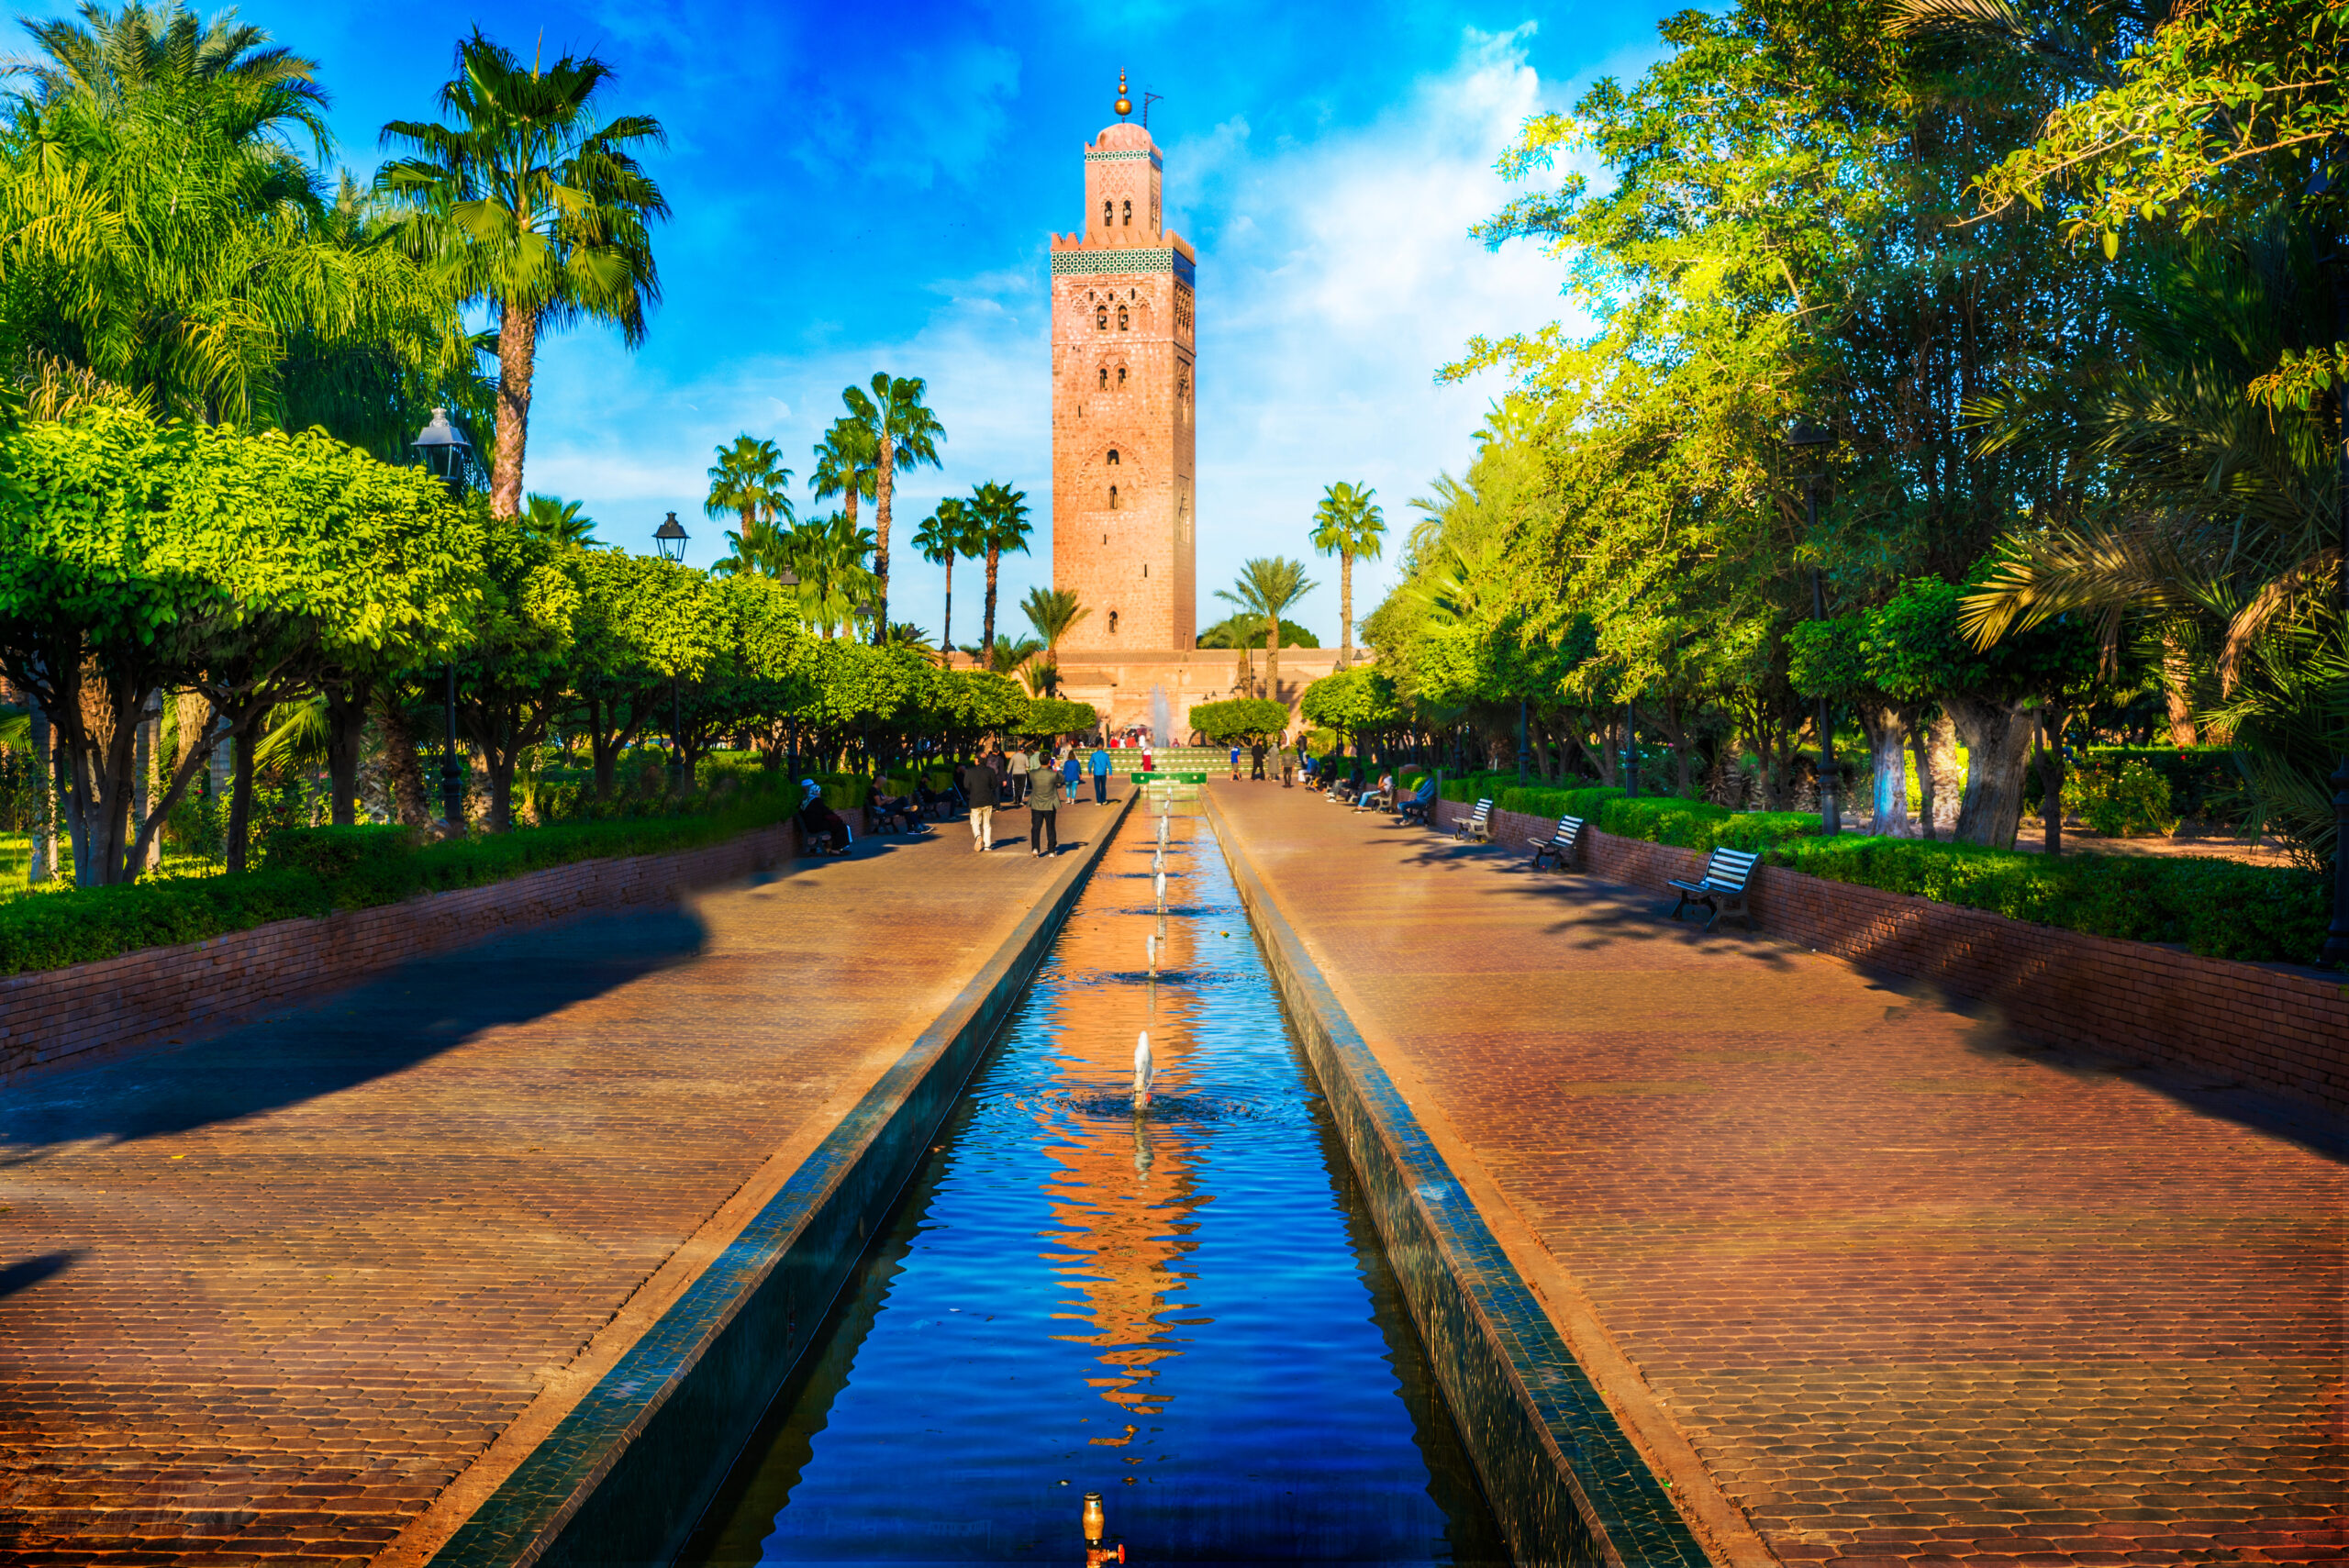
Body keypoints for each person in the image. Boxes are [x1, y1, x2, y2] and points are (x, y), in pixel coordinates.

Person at [798, 778, 854, 856]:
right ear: (815, 792)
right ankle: (835, 850)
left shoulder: (805, 801)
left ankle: (834, 848)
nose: (819, 793)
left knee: (837, 826)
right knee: (841, 827)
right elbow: (826, 812)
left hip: (811, 825)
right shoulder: (816, 801)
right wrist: (839, 819)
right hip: (815, 826)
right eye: (819, 792)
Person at [1025, 750, 1063, 857]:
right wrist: (1057, 767)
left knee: (1036, 827)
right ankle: (1051, 850)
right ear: (1049, 761)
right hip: (1049, 804)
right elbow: (1061, 778)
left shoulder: (1033, 774)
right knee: (1050, 827)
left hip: (1036, 803)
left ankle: (1035, 848)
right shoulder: (1053, 774)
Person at [960, 754, 999, 852]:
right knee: (987, 824)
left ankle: (978, 836)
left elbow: (966, 785)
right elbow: (994, 785)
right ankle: (987, 845)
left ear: (977, 760)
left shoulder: (970, 771)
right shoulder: (990, 771)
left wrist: (973, 790)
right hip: (987, 800)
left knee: (975, 822)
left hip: (975, 800)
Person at [1088, 740, 1113, 805]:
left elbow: (1090, 764)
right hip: (1103, 773)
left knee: (1097, 787)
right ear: (1103, 748)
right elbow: (1109, 765)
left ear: (1097, 748)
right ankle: (1104, 800)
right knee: (1103, 787)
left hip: (1096, 773)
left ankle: (1099, 801)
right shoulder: (1106, 755)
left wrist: (1089, 771)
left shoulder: (1094, 755)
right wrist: (1110, 774)